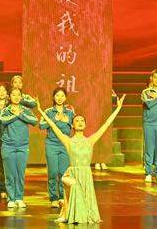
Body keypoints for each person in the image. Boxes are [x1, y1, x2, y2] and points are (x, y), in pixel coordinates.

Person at [36, 95, 126, 224]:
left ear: (85, 124)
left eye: (82, 121)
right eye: (76, 121)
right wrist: (40, 109)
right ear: (72, 125)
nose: (79, 122)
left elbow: (106, 124)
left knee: (86, 209)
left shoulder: (90, 140)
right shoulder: (68, 141)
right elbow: (52, 125)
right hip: (73, 175)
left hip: (86, 175)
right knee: (75, 188)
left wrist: (118, 108)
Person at [0, 87, 38, 209]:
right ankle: (11, 198)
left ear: (21, 97)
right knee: (10, 174)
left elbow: (34, 121)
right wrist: (16, 115)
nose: (16, 97)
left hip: (23, 146)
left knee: (20, 174)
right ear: (9, 97)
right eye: (13, 95)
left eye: (18, 95)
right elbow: (2, 120)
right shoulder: (6, 110)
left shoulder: (25, 110)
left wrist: (20, 115)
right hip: (8, 146)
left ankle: (19, 198)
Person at [39, 88, 75, 207]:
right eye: (57, 96)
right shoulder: (49, 111)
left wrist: (68, 122)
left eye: (62, 96)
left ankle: (62, 197)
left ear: (65, 98)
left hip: (65, 145)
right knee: (53, 172)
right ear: (53, 97)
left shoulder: (69, 112)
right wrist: (55, 119)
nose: (60, 98)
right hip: (52, 145)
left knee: (63, 173)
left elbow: (77, 125)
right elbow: (41, 125)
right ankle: (53, 197)